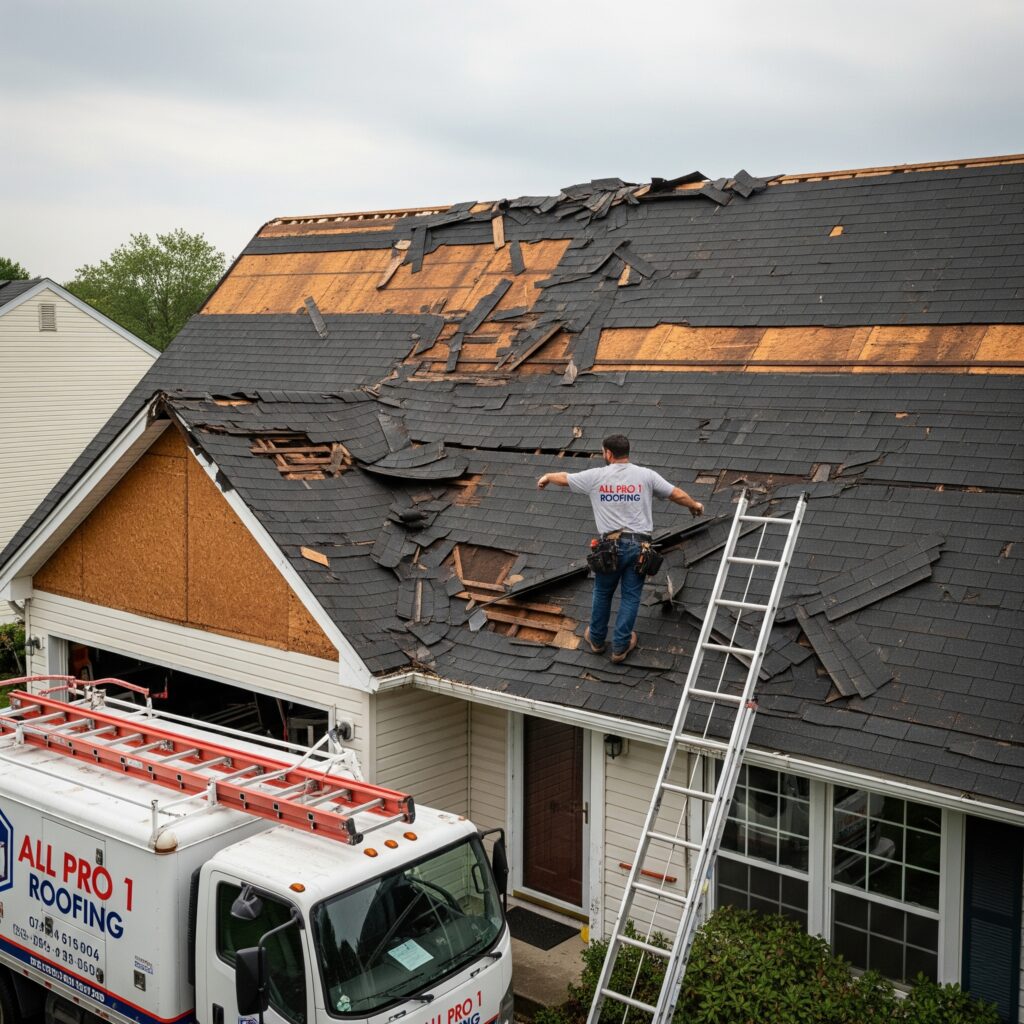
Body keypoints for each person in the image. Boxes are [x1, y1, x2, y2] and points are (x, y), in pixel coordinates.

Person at [537, 434, 704, 663]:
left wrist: (547, 476)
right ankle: (620, 647)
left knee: (603, 592)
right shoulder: (646, 475)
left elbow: (565, 478)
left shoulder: (597, 476)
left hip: (609, 547)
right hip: (639, 548)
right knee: (630, 596)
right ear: (627, 452)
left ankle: (596, 640)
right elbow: (675, 493)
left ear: (608, 453)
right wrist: (695, 506)